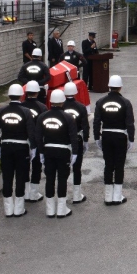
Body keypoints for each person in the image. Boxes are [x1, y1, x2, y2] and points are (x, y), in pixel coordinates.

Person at [0, 84, 37, 217]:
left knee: (7, 177)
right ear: (21, 95)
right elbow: (31, 131)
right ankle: (19, 208)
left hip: (5, 146)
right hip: (21, 147)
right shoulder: (25, 111)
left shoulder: (0, 111)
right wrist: (33, 147)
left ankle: (8, 209)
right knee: (21, 176)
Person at [35, 90, 78, 218]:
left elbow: (38, 136)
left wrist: (41, 151)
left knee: (49, 179)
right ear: (62, 101)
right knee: (62, 179)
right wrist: (75, 152)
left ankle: (50, 209)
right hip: (63, 150)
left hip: (48, 150)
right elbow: (73, 137)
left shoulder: (42, 116)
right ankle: (61, 209)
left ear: (51, 101)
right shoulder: (68, 117)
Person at [93, 75, 135, 206]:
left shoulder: (100, 102)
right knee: (119, 165)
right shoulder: (126, 102)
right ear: (120, 87)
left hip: (106, 136)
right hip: (120, 136)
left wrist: (96, 137)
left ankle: (107, 196)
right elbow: (129, 122)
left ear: (109, 86)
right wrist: (131, 138)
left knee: (108, 164)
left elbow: (96, 121)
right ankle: (117, 196)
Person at [62, 82, 90, 204]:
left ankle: (62, 194)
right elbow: (85, 125)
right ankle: (77, 195)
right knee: (77, 168)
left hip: (62, 140)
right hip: (77, 140)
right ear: (75, 92)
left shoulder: (60, 106)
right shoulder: (80, 107)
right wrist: (86, 140)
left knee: (63, 169)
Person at [21, 80, 48, 203]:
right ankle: (34, 192)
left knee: (24, 166)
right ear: (37, 92)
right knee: (36, 166)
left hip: (22, 140)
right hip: (37, 141)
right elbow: (45, 125)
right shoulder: (42, 107)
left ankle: (26, 192)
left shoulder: (20, 106)